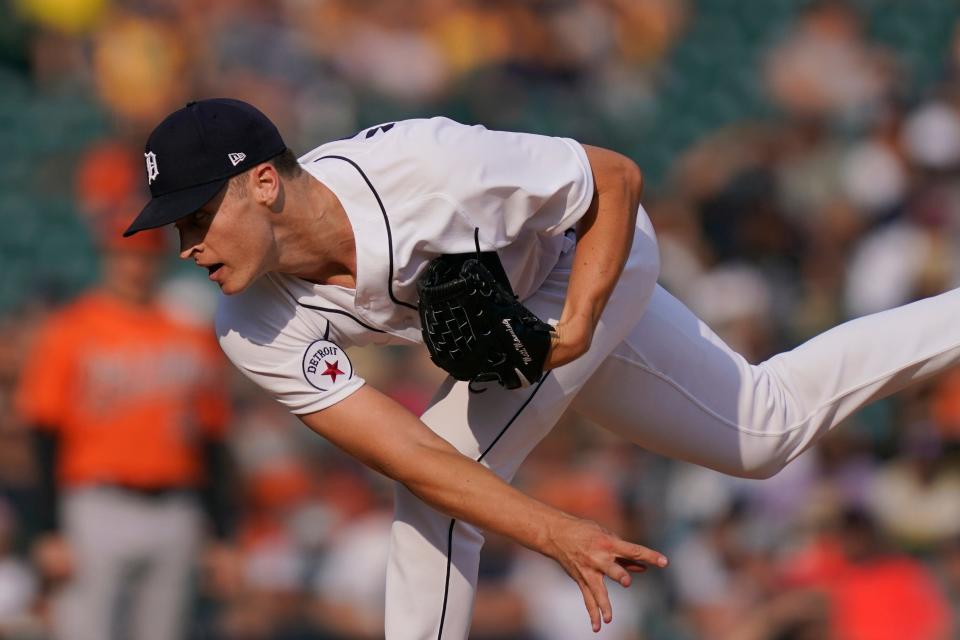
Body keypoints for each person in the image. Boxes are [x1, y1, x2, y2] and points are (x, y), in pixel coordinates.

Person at [125, 98, 960, 639]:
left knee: (440, 494)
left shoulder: (426, 172)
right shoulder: (247, 319)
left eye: (198, 214)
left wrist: (574, 332)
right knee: (763, 431)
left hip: (592, 256)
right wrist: (552, 528)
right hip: (527, 314)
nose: (187, 243)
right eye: (173, 225)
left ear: (263, 182)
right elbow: (406, 452)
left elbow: (613, 179)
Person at [15, 217, 234, 640]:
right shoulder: (70, 329)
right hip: (96, 505)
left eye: (144, 256)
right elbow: (45, 435)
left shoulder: (188, 332)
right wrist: (45, 530)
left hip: (177, 509)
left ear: (158, 261)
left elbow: (211, 439)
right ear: (107, 259)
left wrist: (222, 532)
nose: (134, 267)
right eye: (124, 257)